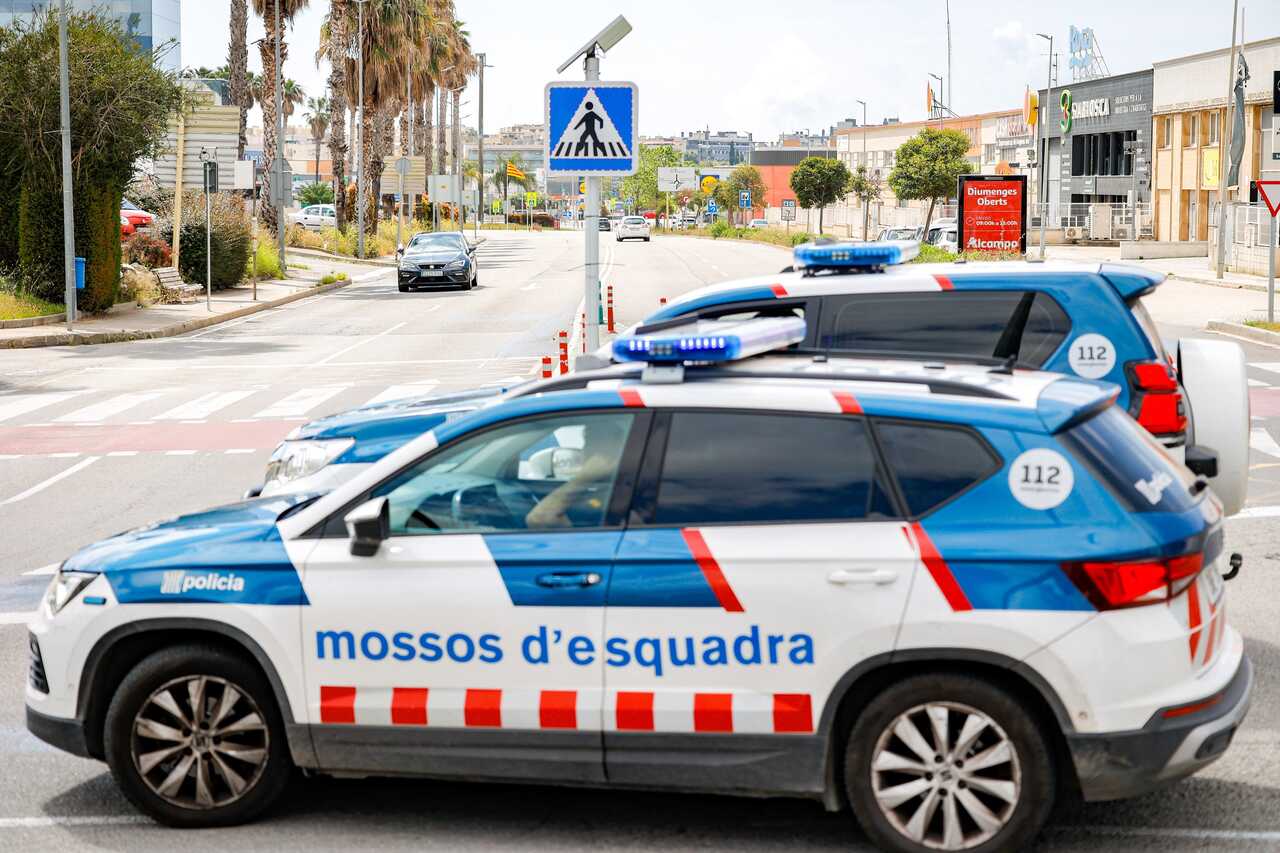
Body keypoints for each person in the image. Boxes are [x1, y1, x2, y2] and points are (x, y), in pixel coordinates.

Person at [526, 418, 628, 529]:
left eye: (590, 441)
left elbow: (539, 519)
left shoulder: (622, 495)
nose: (583, 449)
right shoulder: (610, 490)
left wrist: (584, 478)